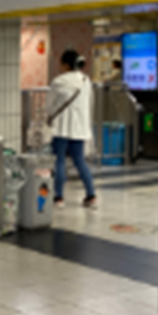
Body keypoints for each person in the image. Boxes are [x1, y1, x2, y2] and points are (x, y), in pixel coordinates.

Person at [47, 49, 98, 208]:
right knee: (80, 161)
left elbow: (50, 105)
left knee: (59, 161)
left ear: (66, 65)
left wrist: (49, 117)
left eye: (61, 63)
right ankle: (91, 196)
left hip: (61, 127)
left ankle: (59, 198)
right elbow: (90, 103)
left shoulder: (58, 82)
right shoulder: (85, 80)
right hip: (79, 128)